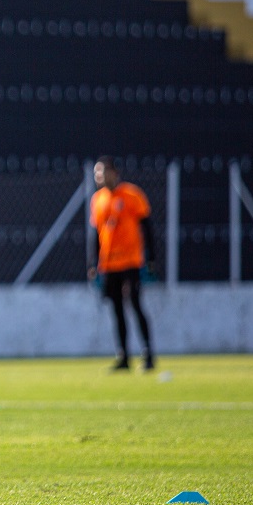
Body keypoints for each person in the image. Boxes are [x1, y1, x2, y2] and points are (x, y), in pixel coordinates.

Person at [88, 156, 156, 372]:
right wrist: (93, 263)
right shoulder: (97, 199)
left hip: (130, 261)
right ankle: (124, 356)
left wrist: (151, 258)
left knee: (135, 303)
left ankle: (148, 354)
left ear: (114, 173)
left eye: (102, 172)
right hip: (109, 264)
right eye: (97, 173)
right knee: (116, 309)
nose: (99, 177)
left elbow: (146, 227)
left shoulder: (132, 194)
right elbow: (97, 233)